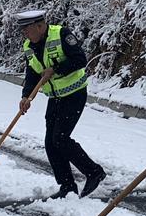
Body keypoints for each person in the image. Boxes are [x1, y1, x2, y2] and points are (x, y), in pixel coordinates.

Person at [17, 10, 106, 198]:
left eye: (27, 30)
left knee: (61, 138)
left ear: (40, 26)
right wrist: (26, 96)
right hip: (55, 97)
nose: (24, 34)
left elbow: (80, 60)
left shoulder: (62, 35)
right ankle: (67, 186)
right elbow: (32, 73)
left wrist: (56, 69)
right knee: (50, 143)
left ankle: (94, 172)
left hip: (74, 93)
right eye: (23, 31)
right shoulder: (29, 46)